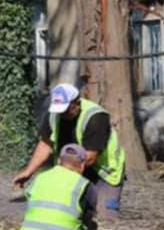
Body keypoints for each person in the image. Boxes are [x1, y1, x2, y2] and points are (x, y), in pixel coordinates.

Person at [13, 83, 126, 219]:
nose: (62, 113)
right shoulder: (53, 114)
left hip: (104, 172)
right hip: (70, 169)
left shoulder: (96, 117)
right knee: (64, 212)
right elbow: (45, 145)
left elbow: (89, 157)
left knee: (105, 218)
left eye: (66, 109)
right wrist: (28, 172)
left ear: (77, 103)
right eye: (59, 110)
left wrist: (60, 179)